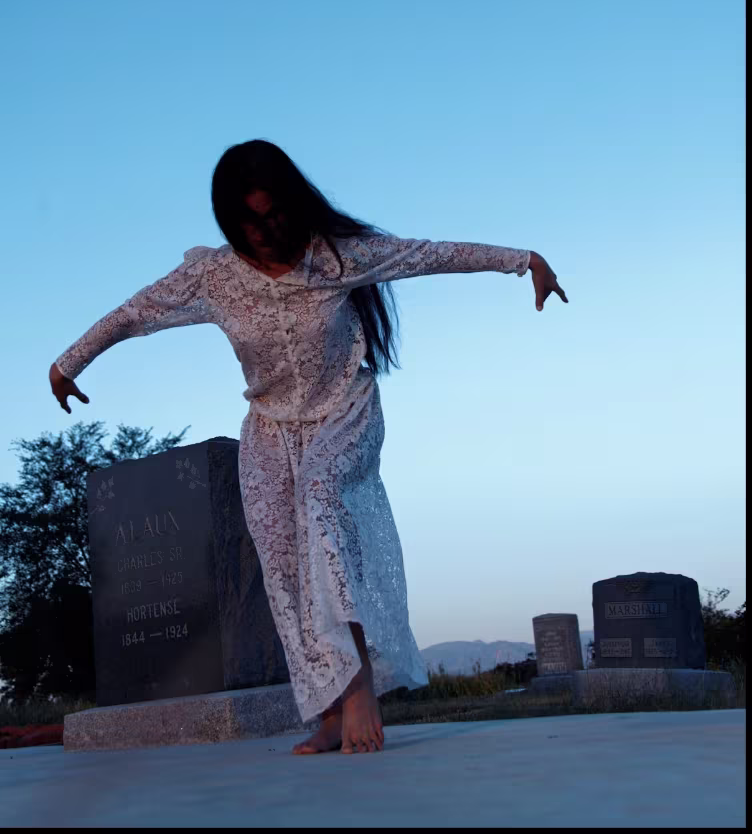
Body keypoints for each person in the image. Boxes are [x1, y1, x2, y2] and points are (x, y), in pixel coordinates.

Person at [49, 139, 568, 754]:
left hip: (345, 411)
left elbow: (430, 254)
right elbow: (136, 312)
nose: (265, 231)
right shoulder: (213, 276)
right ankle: (327, 711)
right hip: (269, 428)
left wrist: (525, 261)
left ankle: (359, 688)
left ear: (293, 205)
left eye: (274, 214)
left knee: (321, 503)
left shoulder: (337, 257)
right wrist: (68, 363)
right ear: (229, 222)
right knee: (282, 561)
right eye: (249, 221)